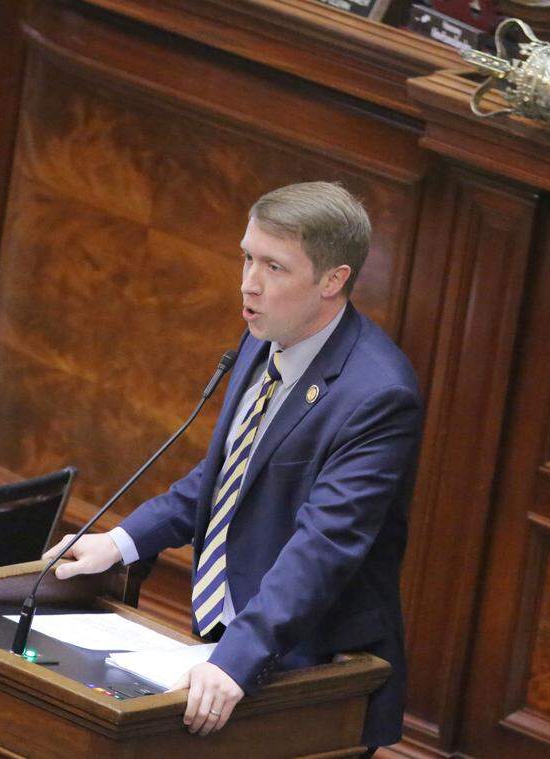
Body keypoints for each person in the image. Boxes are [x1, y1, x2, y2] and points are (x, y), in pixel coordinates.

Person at [44, 182, 423, 751]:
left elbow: (324, 548)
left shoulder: (378, 395)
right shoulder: (262, 337)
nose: (249, 283)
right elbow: (227, 476)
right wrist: (122, 541)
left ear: (332, 280)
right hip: (231, 641)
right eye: (247, 257)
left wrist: (236, 660)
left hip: (312, 666)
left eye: (274, 266)